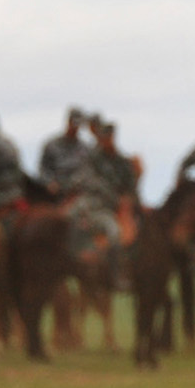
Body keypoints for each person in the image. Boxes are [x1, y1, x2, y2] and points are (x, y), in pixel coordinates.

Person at [68, 117, 140, 289]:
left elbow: (130, 187)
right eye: (103, 137)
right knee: (65, 222)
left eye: (108, 137)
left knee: (114, 232)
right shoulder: (91, 159)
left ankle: (116, 277)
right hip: (88, 204)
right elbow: (81, 179)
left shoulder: (122, 162)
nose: (105, 141)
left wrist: (127, 200)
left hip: (108, 209)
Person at [37, 107, 90, 194]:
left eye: (78, 125)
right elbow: (43, 168)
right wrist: (49, 182)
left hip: (77, 190)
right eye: (73, 124)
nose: (75, 129)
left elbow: (87, 171)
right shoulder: (51, 145)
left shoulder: (85, 149)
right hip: (54, 190)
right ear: (68, 122)